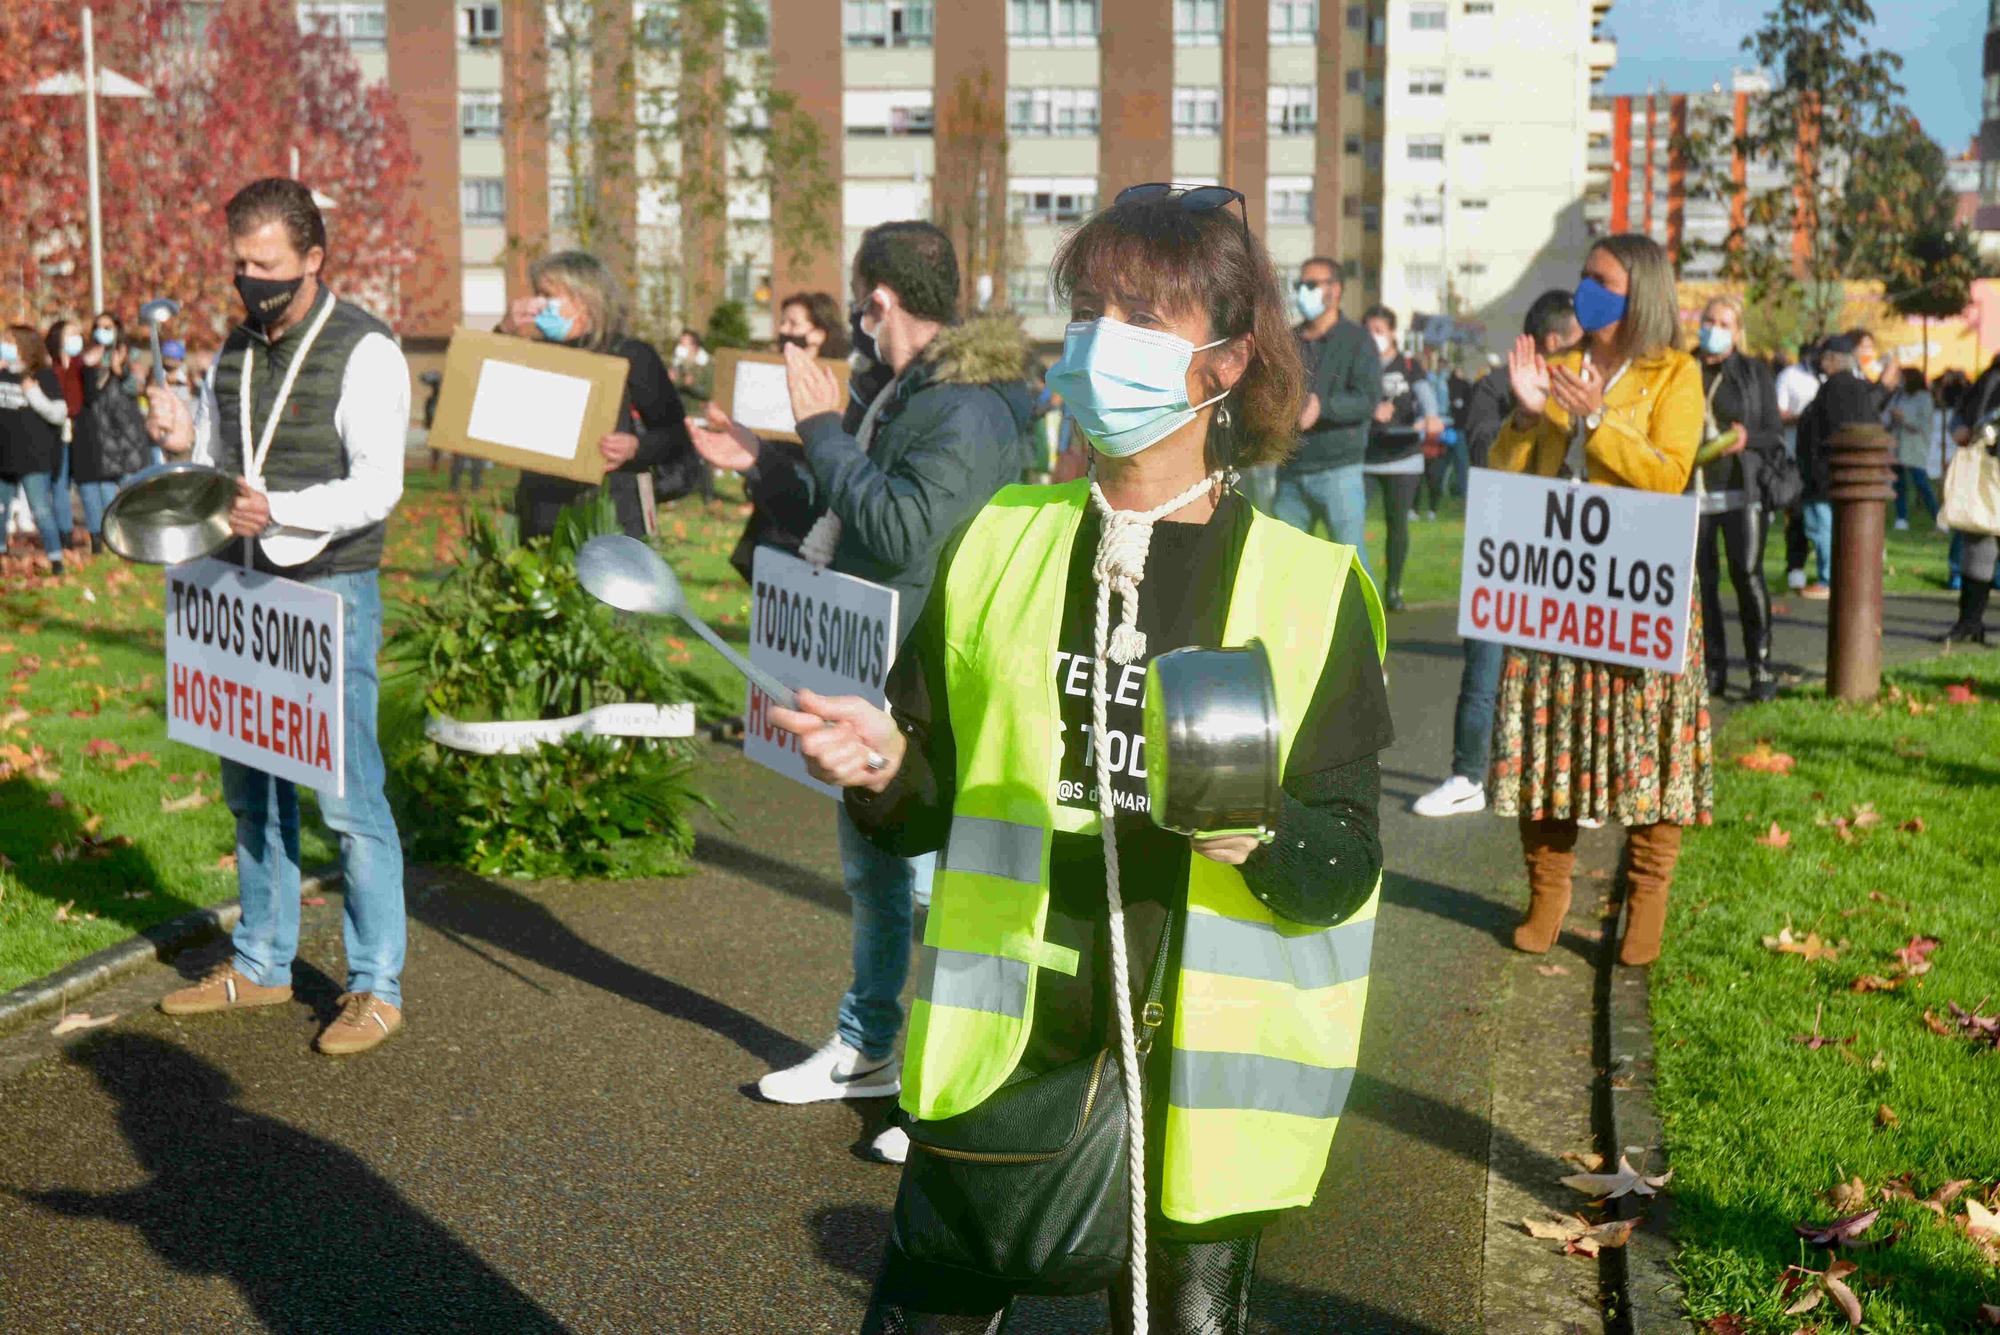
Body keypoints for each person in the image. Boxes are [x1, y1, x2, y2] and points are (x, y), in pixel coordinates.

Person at [769, 182, 1389, 1335]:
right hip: (1005, 1039)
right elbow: (925, 807)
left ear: (1222, 361)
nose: (1103, 341)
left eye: (1142, 318)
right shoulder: (997, 543)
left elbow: (1340, 864)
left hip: (1200, 1091)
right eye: (1090, 308)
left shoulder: (1308, 593)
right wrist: (881, 772)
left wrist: (1250, 828)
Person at [726, 223, 1036, 1167]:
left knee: (937, 891)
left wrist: (820, 429)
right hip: (872, 665)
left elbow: (899, 529)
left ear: (881, 300)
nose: (858, 317)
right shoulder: (905, 392)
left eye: (863, 301)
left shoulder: (968, 409)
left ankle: (949, 1084)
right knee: (871, 875)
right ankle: (866, 1047)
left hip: (926, 683)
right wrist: (768, 461)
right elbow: (840, 511)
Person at [145, 178, 413, 1056]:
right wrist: (186, 445)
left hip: (328, 588)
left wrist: (283, 509)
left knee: (347, 798)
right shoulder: (235, 348)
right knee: (251, 788)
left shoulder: (366, 349)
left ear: (312, 260)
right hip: (237, 587)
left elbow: (380, 486)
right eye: (239, 264)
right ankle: (260, 961)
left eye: (266, 266)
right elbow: (225, 464)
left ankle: (377, 985)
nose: (249, 279)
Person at [1488, 232, 1712, 968]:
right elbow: (1508, 482)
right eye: (1583, 277)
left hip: (1639, 591)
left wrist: (1595, 419)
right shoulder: (1553, 369)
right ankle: (1547, 893)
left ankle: (1646, 900)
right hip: (1555, 589)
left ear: (1640, 292)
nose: (1587, 289)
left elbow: (1668, 475)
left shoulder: (1675, 374)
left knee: (1651, 749)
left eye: (1603, 280)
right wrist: (1526, 418)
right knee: (1544, 742)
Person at [1414, 290, 1580, 818]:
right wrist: (1525, 414)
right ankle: (1468, 775)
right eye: (1580, 337)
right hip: (1504, 549)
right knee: (1484, 668)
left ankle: (1569, 781)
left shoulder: (1589, 389)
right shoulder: (1494, 388)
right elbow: (1484, 455)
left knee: (1568, 673)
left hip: (1567, 550)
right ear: (1554, 340)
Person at [504, 252, 700, 539]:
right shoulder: (534, 354)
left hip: (612, 518)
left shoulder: (631, 355)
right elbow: (476, 399)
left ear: (585, 299)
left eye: (548, 295)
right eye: (537, 295)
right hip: (541, 517)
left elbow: (676, 435)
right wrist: (504, 331)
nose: (539, 306)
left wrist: (636, 448)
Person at [687, 290, 851, 580]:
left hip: (811, 516)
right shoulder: (764, 378)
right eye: (782, 322)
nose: (783, 330)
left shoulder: (840, 388)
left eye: (792, 323)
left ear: (819, 334)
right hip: (769, 502)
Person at [1689, 294, 1784, 702]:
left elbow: (1773, 432)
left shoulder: (1752, 372)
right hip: (1694, 491)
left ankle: (1760, 667)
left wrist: (1747, 439)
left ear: (1737, 331)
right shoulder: (1683, 368)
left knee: (1747, 574)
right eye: (1709, 320)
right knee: (1703, 584)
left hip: (1741, 490)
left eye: (1724, 323)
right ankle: (1713, 669)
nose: (1714, 328)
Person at [1272, 258, 1380, 559]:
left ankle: (1360, 609)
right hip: (1291, 472)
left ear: (1335, 290)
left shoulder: (1358, 340)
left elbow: (1367, 400)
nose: (1301, 292)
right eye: (1298, 285)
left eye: (1309, 285)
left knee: (1349, 567)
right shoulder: (1289, 341)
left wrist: (1323, 407)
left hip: (1339, 473)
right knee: (1282, 564)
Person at [1360, 304, 1442, 611]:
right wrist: (1371, 411)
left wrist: (1431, 417)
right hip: (1365, 458)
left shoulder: (1409, 365)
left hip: (1404, 456)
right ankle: (1356, 592)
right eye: (1368, 331)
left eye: (1379, 331)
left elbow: (1427, 398)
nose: (1374, 337)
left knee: (1398, 526)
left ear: (1392, 333)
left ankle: (1393, 589)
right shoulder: (1359, 363)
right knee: (1352, 523)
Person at [1793, 335, 1879, 601]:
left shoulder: (1835, 389)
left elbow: (1827, 432)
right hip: (1846, 475)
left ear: (1832, 359)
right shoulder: (1858, 388)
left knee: (1823, 529)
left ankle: (1829, 578)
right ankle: (1843, 577)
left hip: (1825, 474)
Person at [75, 312, 153, 552]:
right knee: (107, 492)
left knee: (133, 489)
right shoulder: (88, 356)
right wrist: (98, 366)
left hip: (128, 433)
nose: (102, 331)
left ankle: (138, 538)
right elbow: (89, 394)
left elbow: (139, 388)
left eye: (108, 327)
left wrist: (121, 370)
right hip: (101, 434)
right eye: (98, 327)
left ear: (117, 329)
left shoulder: (133, 355)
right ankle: (110, 541)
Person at [0, 324, 71, 574]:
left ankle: (55, 559)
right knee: (1, 508)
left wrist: (33, 393)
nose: (4, 345)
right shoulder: (3, 373)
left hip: (33, 457)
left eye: (9, 341)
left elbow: (59, 413)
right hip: (4, 456)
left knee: (40, 509)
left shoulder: (42, 375)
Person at [1940, 360, 2000, 645]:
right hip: (1986, 473)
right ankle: (1969, 622)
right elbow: (1963, 414)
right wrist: (1963, 427)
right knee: (1978, 546)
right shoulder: (1990, 376)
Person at [1774, 338, 1822, 593]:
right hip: (1795, 458)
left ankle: (1827, 571)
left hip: (1826, 459)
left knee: (1826, 515)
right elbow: (1777, 414)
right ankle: (1796, 566)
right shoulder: (1788, 377)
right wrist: (1805, 417)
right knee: (1798, 516)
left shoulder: (1829, 377)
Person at [46, 318, 88, 551]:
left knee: (86, 484)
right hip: (59, 433)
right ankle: (65, 534)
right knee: (59, 484)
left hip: (82, 431)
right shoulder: (50, 366)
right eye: (71, 334)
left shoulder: (82, 365)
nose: (76, 338)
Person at [1887, 368, 1938, 531]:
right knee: (1899, 483)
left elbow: (1923, 424)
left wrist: (1904, 418)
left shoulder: (1924, 398)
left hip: (1915, 446)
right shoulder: (1898, 395)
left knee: (1921, 482)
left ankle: (1938, 517)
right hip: (1898, 444)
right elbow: (1887, 415)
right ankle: (1901, 518)